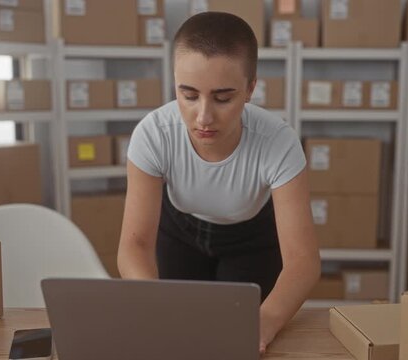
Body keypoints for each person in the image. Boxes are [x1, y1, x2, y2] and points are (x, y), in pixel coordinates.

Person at [117, 11, 320, 354]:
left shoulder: (278, 142)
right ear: (175, 85)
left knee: (240, 343)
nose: (204, 117)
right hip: (179, 232)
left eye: (223, 97)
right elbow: (134, 245)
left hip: (252, 239)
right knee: (177, 339)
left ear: (250, 89)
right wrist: (152, 303)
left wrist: (266, 320)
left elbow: (303, 260)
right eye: (189, 95)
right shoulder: (152, 135)